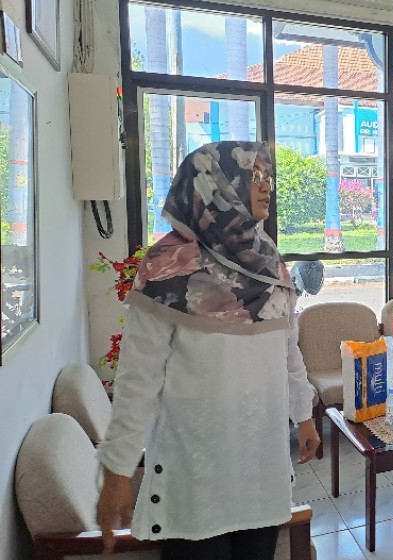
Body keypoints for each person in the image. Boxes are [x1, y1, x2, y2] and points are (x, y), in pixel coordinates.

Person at [95, 141, 321, 560]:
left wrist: (303, 415)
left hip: (261, 459)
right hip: (194, 464)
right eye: (254, 177)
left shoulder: (268, 261)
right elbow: (137, 380)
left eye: (267, 177)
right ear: (215, 185)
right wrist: (116, 473)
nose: (266, 187)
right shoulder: (166, 267)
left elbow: (288, 351)